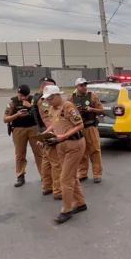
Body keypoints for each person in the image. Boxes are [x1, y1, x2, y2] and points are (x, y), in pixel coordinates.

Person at [40, 85, 87, 224]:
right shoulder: (53, 109)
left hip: (74, 145)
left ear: (58, 95)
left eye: (51, 98)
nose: (49, 101)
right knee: (70, 176)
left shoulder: (68, 107)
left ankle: (66, 210)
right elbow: (54, 125)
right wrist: (43, 136)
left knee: (65, 179)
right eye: (47, 99)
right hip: (61, 146)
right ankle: (80, 203)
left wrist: (63, 136)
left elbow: (80, 125)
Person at [3, 84, 43, 187]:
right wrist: (17, 115)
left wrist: (30, 107)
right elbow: (5, 119)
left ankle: (44, 175)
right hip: (19, 130)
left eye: (26, 96)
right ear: (18, 93)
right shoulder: (12, 102)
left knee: (39, 153)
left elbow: (43, 113)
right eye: (21, 96)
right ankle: (20, 176)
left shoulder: (34, 100)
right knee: (20, 154)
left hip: (33, 128)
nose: (24, 98)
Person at [67, 78, 104, 183]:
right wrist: (75, 111)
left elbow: (102, 111)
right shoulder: (71, 98)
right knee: (81, 152)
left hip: (90, 126)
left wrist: (92, 109)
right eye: (81, 85)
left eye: (85, 85)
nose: (84, 87)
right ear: (76, 87)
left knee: (95, 150)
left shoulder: (92, 96)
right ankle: (82, 173)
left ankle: (97, 174)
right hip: (79, 128)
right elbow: (65, 113)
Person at [31, 77, 62, 198]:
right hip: (47, 131)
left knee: (46, 160)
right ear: (43, 87)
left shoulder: (36, 98)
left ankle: (47, 186)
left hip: (43, 131)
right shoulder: (44, 101)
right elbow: (47, 119)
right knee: (55, 162)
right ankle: (58, 190)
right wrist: (53, 133)